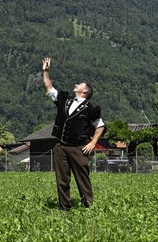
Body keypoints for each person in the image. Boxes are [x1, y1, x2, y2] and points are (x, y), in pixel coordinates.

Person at [42, 57, 104, 210]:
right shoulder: (65, 100)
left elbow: (100, 125)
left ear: (85, 91)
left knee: (82, 178)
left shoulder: (90, 108)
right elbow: (49, 87)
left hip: (78, 148)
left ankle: (88, 205)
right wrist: (46, 71)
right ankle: (65, 208)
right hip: (60, 146)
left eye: (80, 84)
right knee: (62, 179)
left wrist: (93, 142)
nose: (76, 84)